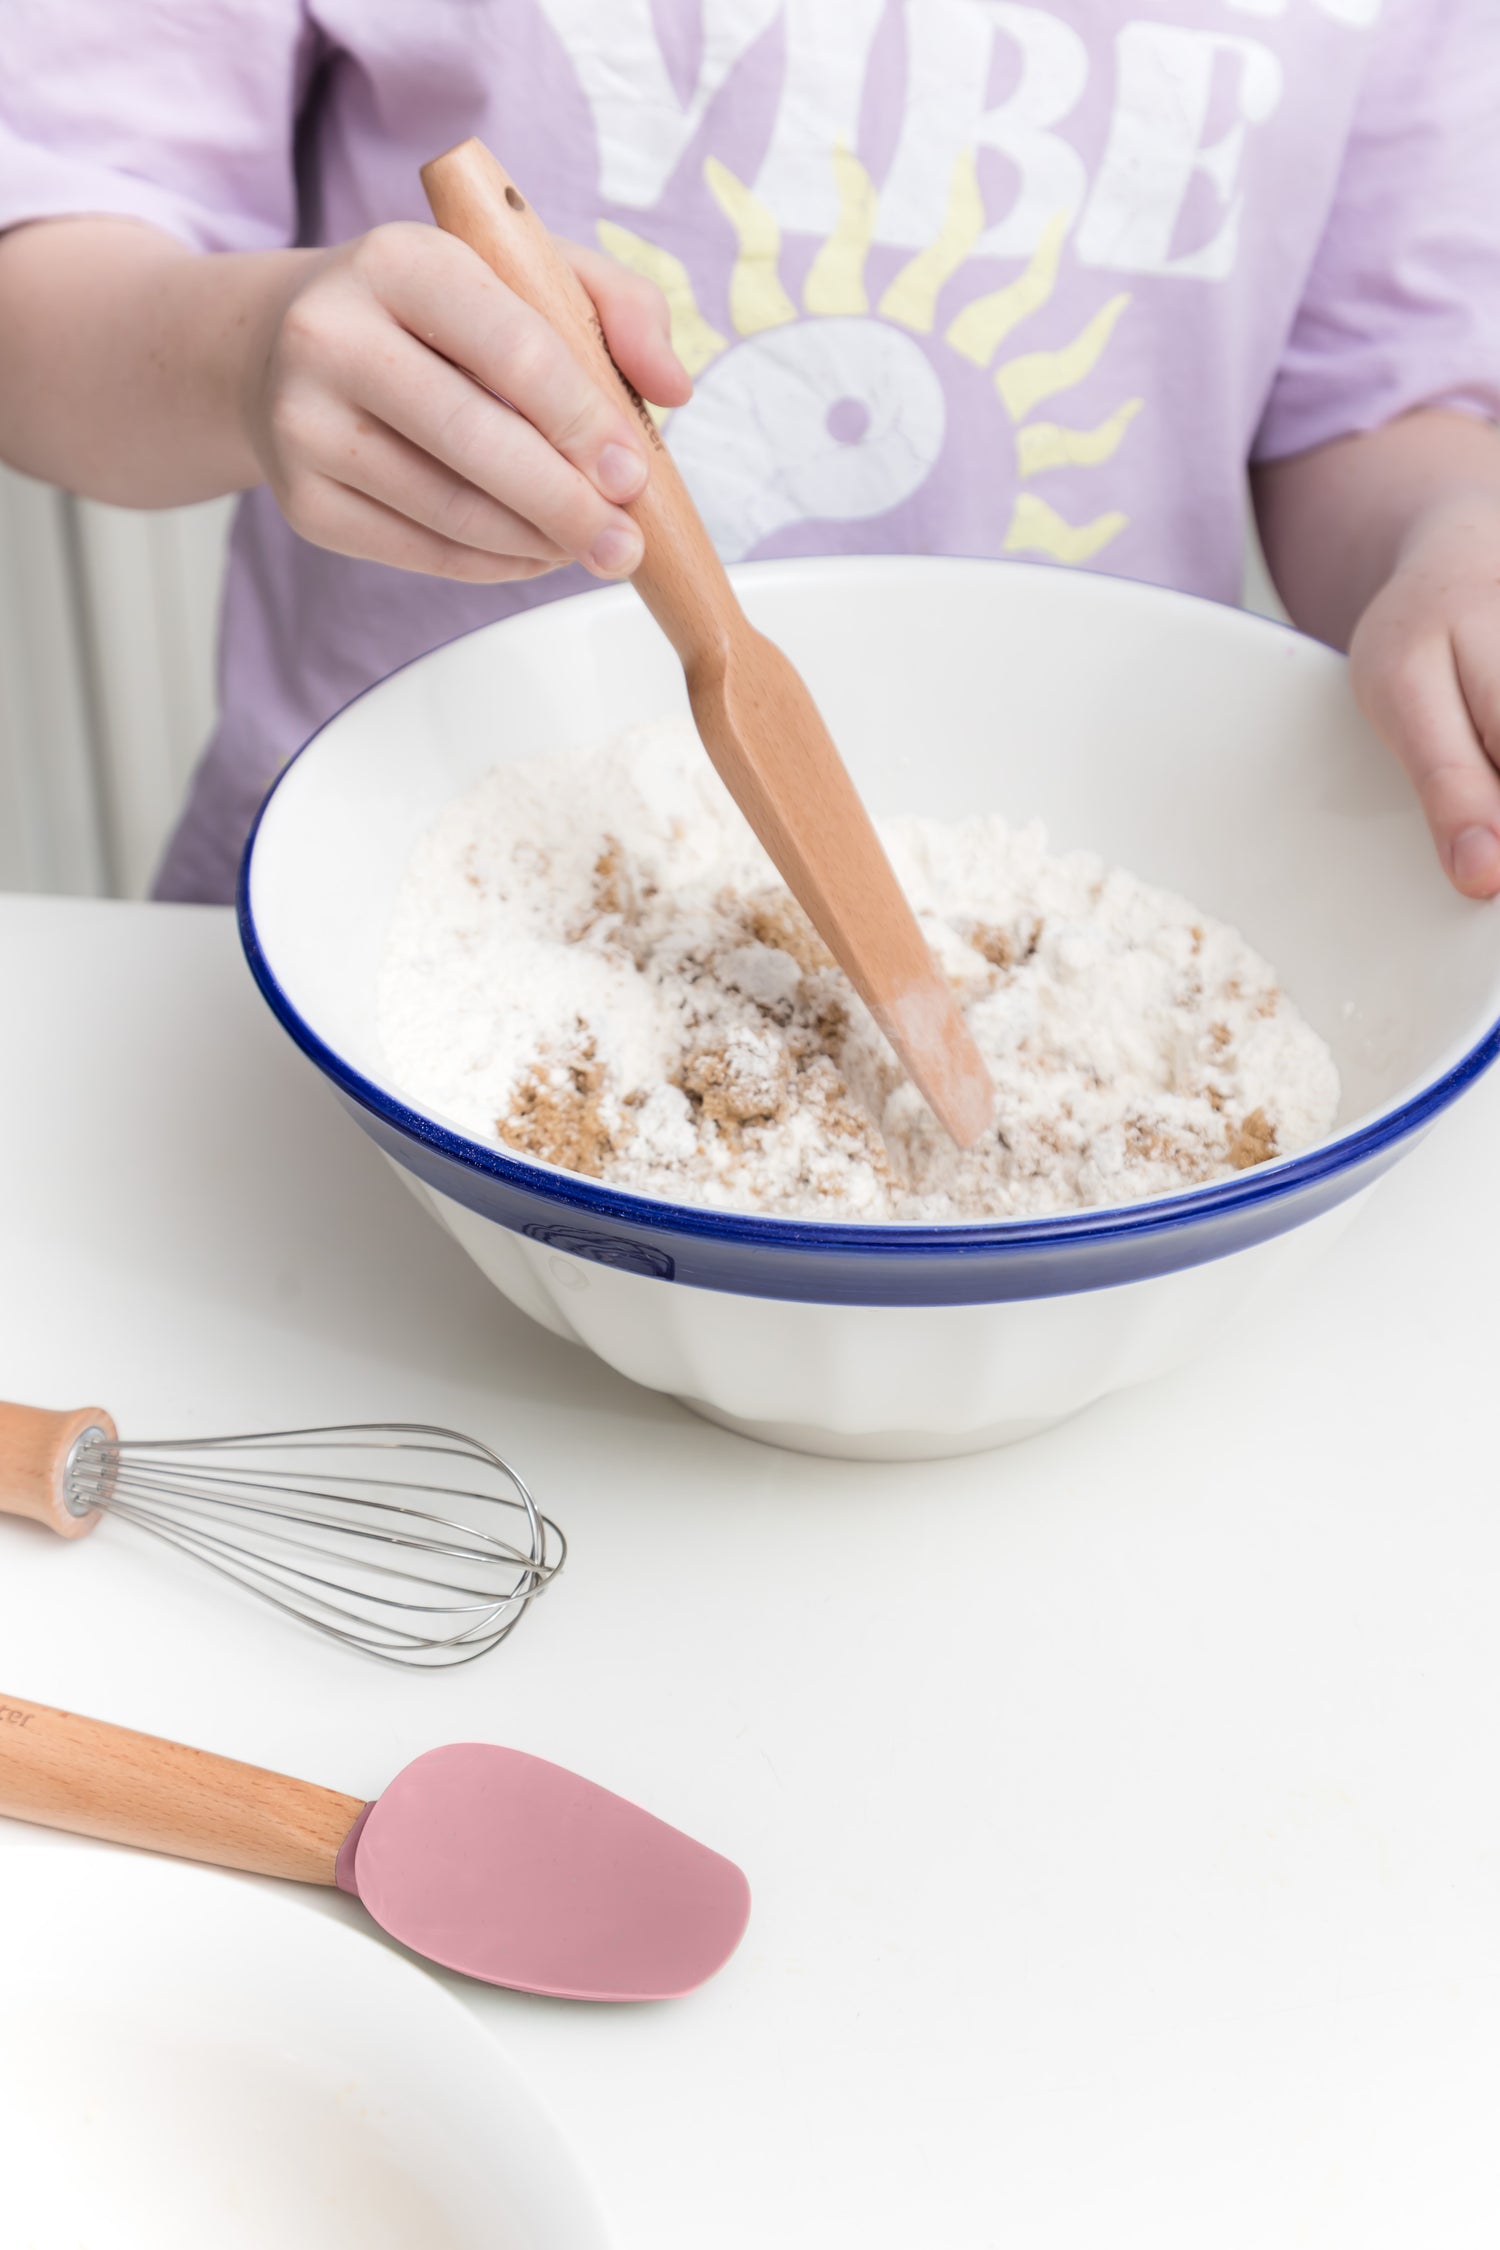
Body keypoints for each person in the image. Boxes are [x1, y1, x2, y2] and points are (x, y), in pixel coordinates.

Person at [1, 2, 1498, 907]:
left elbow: (1374, 405)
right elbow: (48, 281)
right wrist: (252, 348)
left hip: (1071, 915)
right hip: (359, 906)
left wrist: (1449, 540)